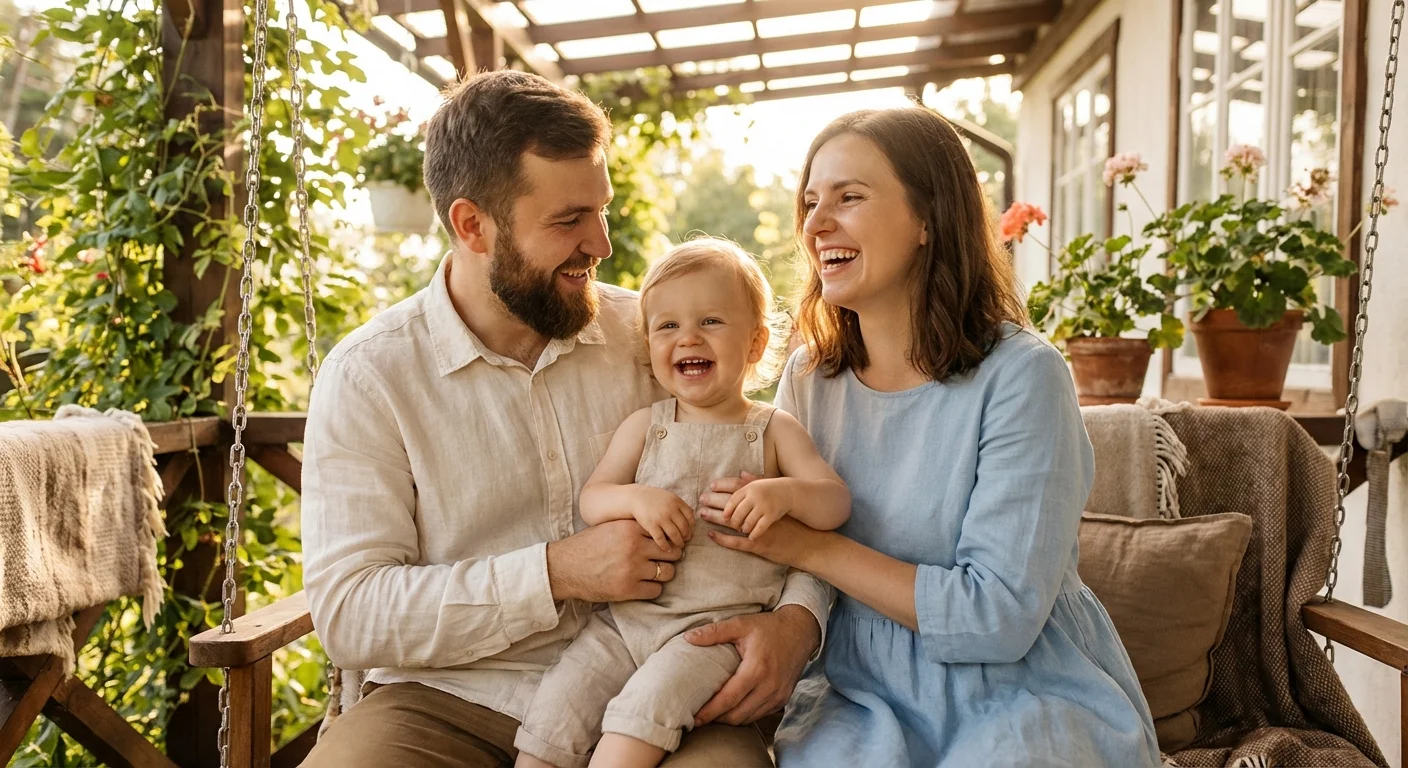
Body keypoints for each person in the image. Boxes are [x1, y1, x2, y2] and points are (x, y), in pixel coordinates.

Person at [299, 71, 830, 768]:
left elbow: (791, 481)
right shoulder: (371, 375)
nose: (602, 244)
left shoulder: (657, 336)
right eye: (569, 219)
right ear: (472, 225)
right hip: (448, 701)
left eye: (601, 210)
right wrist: (555, 573)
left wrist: (799, 622)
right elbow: (350, 613)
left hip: (670, 677)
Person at [700, 108, 1162, 767]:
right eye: (810, 202)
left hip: (1022, 692)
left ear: (928, 218)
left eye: (849, 197)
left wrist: (808, 544)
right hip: (857, 696)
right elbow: (772, 564)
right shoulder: (808, 377)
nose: (816, 223)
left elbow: (997, 616)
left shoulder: (1024, 375)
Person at [514, 239, 850, 768]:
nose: (687, 336)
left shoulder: (773, 430)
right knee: (556, 712)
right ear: (648, 344)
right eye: (667, 326)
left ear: (757, 343)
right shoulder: (645, 426)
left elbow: (833, 505)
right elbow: (595, 498)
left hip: (712, 633)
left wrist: (782, 492)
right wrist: (636, 499)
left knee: (638, 720)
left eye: (711, 321)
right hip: (624, 626)